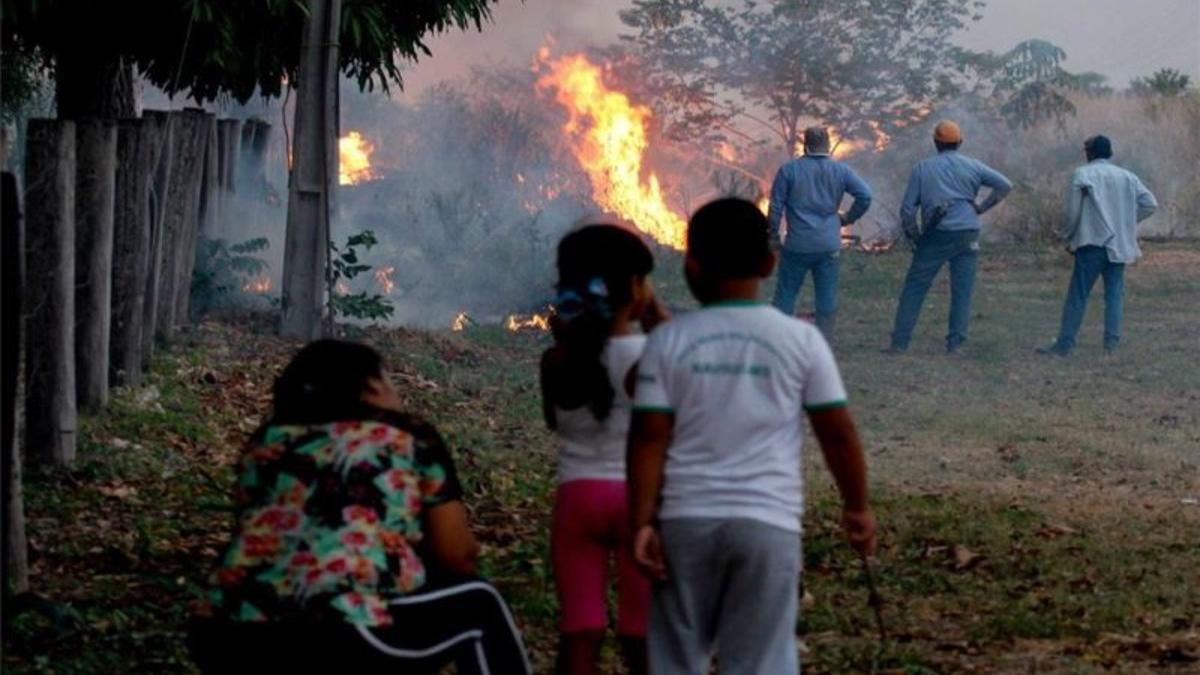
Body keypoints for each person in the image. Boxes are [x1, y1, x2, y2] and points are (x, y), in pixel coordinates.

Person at [627, 197, 876, 674]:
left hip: (685, 524)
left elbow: (648, 438)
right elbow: (838, 434)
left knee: (677, 658)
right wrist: (858, 507)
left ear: (690, 265)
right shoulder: (801, 340)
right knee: (760, 660)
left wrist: (642, 521)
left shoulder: (668, 341)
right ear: (769, 263)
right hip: (768, 525)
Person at [189, 340, 531, 675]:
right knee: (479, 602)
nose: (398, 395)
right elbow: (458, 555)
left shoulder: (265, 443)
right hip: (342, 627)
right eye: (391, 382)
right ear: (371, 387)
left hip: (223, 629)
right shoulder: (407, 436)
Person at [540, 224, 669, 675]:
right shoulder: (651, 355)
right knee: (640, 630)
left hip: (577, 499)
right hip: (640, 501)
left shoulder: (556, 359)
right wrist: (657, 318)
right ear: (636, 291)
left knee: (580, 629)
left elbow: (555, 420)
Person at [887, 120, 1013, 354]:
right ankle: (955, 345)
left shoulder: (922, 168)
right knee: (962, 290)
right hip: (967, 234)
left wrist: (914, 236)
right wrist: (982, 208)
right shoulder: (973, 165)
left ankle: (900, 343)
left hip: (935, 235)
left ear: (935, 142)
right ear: (960, 142)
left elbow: (907, 210)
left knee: (915, 288)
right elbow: (1005, 185)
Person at [1038, 134, 1158, 356]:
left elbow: (1072, 213)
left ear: (1089, 153)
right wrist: (1127, 222)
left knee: (1079, 294)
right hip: (1119, 244)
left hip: (1091, 242)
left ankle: (1065, 344)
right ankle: (1111, 344)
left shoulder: (1083, 174)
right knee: (1114, 295)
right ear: (1109, 152)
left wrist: (1068, 236)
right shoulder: (1128, 177)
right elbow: (1150, 204)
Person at [767, 126, 873, 342]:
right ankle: (824, 341)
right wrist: (847, 218)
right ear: (827, 144)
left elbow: (776, 207)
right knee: (826, 295)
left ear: (805, 145)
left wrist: (773, 236)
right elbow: (865, 196)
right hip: (828, 245)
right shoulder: (841, 171)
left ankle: (778, 339)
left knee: (786, 293)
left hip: (797, 245)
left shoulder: (789, 171)